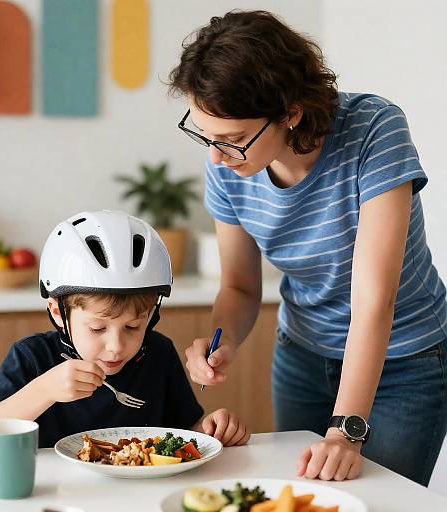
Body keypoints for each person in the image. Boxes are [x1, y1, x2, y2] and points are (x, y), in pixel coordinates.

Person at [168, 10, 447, 485]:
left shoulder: (374, 130)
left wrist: (345, 429)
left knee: (378, 500)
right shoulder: (226, 164)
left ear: (291, 113)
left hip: (406, 360)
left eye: (232, 140)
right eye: (205, 136)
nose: (215, 157)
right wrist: (223, 340)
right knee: (302, 492)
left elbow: (374, 301)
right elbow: (238, 286)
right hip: (302, 354)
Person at [0, 210, 250, 449]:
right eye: (97, 328)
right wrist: (45, 390)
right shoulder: (32, 358)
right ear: (57, 313)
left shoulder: (159, 354)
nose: (116, 345)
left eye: (133, 326)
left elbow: (185, 435)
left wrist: (212, 430)